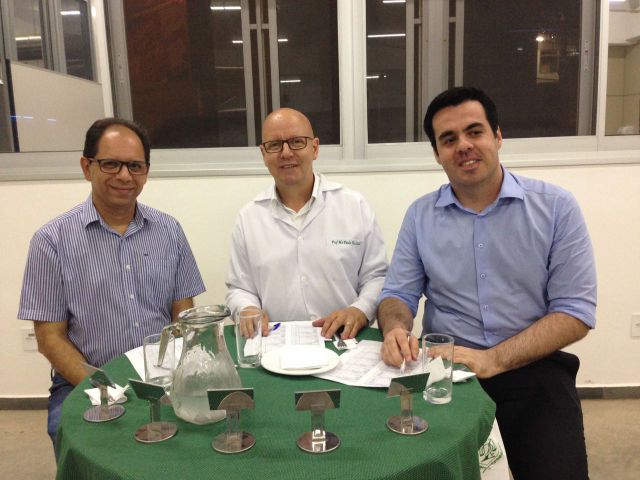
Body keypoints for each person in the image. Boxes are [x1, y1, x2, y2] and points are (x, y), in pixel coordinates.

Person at [377, 87, 596, 480]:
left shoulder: (556, 207)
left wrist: (494, 359)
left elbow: (575, 313)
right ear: (437, 153)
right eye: (448, 139)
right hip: (448, 372)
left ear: (497, 136)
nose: (463, 145)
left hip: (534, 369)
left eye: (474, 132)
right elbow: (397, 294)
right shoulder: (420, 216)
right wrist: (395, 327)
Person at [17, 118, 206, 451]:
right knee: (73, 439)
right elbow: (50, 338)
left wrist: (176, 376)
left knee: (201, 434)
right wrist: (104, 387)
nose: (124, 176)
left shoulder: (170, 231)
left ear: (146, 172)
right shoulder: (51, 241)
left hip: (162, 375)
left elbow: (184, 317)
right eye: (111, 164)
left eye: (135, 166)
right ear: (86, 167)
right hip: (85, 378)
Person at [226, 108, 387, 339]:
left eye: (297, 142)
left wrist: (359, 311)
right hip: (275, 342)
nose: (286, 153)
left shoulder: (354, 206)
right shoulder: (249, 218)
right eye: (274, 145)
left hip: (342, 339)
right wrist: (247, 308)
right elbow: (239, 288)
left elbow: (377, 277)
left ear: (315, 148)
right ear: (263, 154)